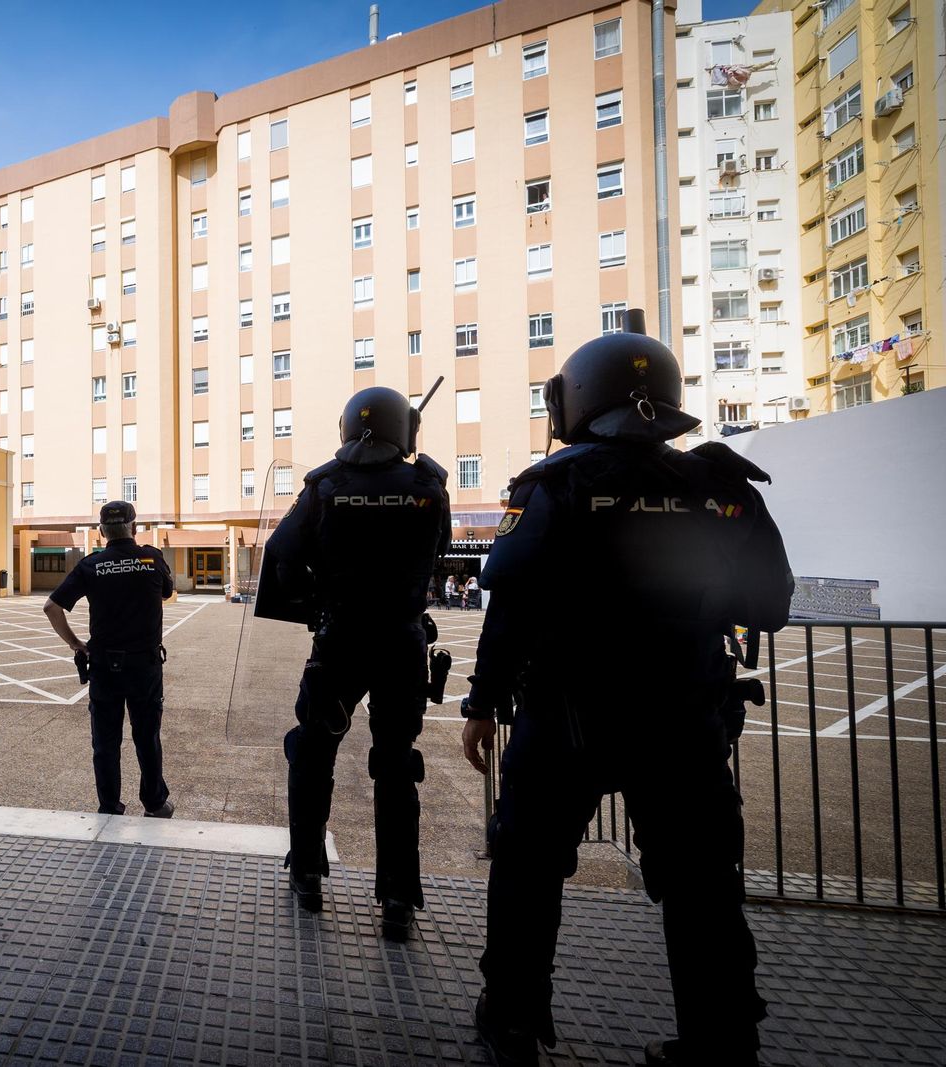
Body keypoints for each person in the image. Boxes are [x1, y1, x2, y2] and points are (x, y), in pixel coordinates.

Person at [460, 312, 793, 1067]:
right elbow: (770, 602)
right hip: (685, 721)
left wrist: (482, 703)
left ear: (576, 400)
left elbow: (511, 606)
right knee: (703, 886)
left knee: (528, 868)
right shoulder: (719, 484)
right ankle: (722, 1041)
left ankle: (512, 1022)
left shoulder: (554, 483)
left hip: (566, 719)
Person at [256, 386, 451, 940]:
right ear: (404, 430)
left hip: (340, 642)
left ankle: (310, 875)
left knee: (313, 753)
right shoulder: (429, 487)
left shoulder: (324, 487)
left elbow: (281, 556)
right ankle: (396, 900)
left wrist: (316, 608)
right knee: (396, 765)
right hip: (402, 643)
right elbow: (439, 549)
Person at [42, 500, 176, 818]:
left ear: (101, 531)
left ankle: (110, 806)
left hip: (105, 667)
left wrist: (76, 644)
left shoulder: (91, 565)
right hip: (145, 667)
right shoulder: (151, 557)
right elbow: (167, 593)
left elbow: (51, 607)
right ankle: (155, 803)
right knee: (147, 737)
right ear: (134, 526)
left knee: (105, 742)